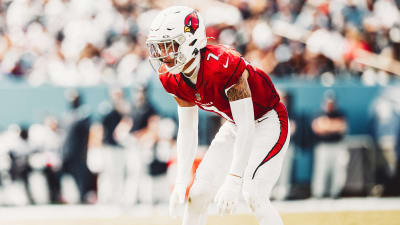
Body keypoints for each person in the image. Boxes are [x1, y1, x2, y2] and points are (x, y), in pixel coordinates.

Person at [146, 6, 290, 225]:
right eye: (159, 47)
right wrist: (182, 180)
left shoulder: (222, 65)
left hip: (268, 120)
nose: (163, 55)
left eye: (169, 46)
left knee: (254, 194)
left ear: (191, 41)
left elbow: (246, 124)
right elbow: (187, 129)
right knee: (199, 193)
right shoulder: (172, 78)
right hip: (235, 125)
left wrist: (234, 178)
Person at [311, 92, 348, 198]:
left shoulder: (340, 113)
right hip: (323, 146)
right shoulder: (318, 113)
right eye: (328, 103)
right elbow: (317, 128)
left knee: (337, 170)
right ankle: (319, 193)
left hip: (337, 145)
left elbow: (342, 127)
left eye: (332, 103)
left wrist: (327, 125)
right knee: (321, 170)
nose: (330, 105)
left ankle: (335, 193)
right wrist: (333, 126)